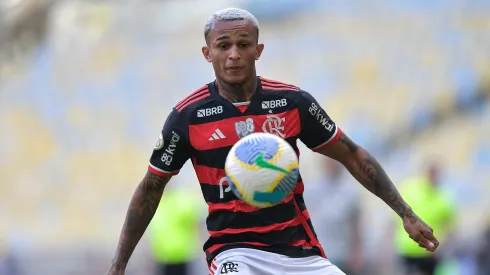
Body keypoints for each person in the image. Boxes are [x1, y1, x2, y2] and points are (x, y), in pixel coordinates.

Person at [105, 8, 439, 275]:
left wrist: (405, 213)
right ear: (208, 53)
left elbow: (352, 155)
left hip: (299, 252)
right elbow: (151, 188)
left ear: (258, 50)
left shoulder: (292, 102)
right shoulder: (187, 117)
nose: (234, 54)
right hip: (234, 253)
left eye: (243, 44)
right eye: (223, 46)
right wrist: (119, 265)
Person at [304, 158, 364, 274]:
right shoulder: (312, 188)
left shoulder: (350, 191)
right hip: (318, 253)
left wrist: (356, 251)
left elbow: (355, 224)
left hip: (342, 253)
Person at [394, 161, 455, 275]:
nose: (432, 176)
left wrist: (441, 244)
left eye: (434, 173)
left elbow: (450, 226)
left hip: (429, 252)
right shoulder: (409, 189)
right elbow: (396, 214)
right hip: (407, 248)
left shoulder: (444, 197)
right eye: (429, 172)